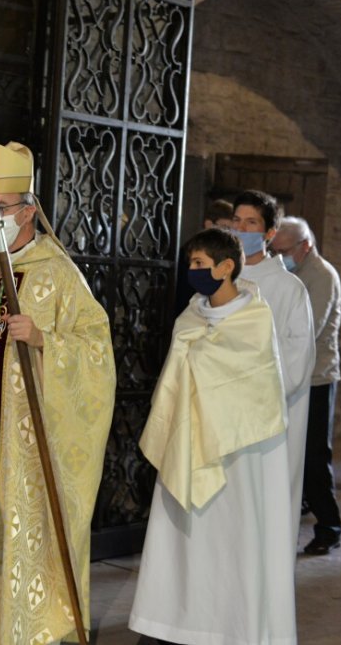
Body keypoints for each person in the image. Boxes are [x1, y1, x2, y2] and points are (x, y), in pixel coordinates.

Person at [0, 140, 115, 645]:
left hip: (32, 449)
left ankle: (29, 630)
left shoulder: (61, 275)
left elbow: (97, 352)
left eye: (0, 211)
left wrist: (44, 341)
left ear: (28, 210)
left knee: (25, 534)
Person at [129, 227, 295, 645]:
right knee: (184, 545)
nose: (192, 271)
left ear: (226, 267)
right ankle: (175, 620)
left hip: (235, 456)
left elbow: (256, 388)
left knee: (232, 543)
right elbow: (177, 376)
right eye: (190, 264)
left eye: (200, 264)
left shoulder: (255, 319)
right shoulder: (190, 316)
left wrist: (203, 360)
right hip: (188, 446)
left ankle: (232, 624)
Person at [229, 189, 315, 550]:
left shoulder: (288, 289)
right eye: (236, 221)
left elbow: (297, 359)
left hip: (264, 417)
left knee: (259, 517)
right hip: (219, 416)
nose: (240, 228)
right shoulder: (218, 280)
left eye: (251, 223)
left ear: (268, 233)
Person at [272, 216, 341, 553]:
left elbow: (307, 330)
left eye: (284, 250)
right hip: (287, 374)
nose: (279, 256)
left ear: (305, 246)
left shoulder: (322, 276)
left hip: (316, 377)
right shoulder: (289, 272)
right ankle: (297, 508)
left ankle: (329, 527)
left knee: (315, 455)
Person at [173, 198, 234, 315]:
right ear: (209, 224)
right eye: (225, 227)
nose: (228, 234)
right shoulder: (191, 251)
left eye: (231, 229)